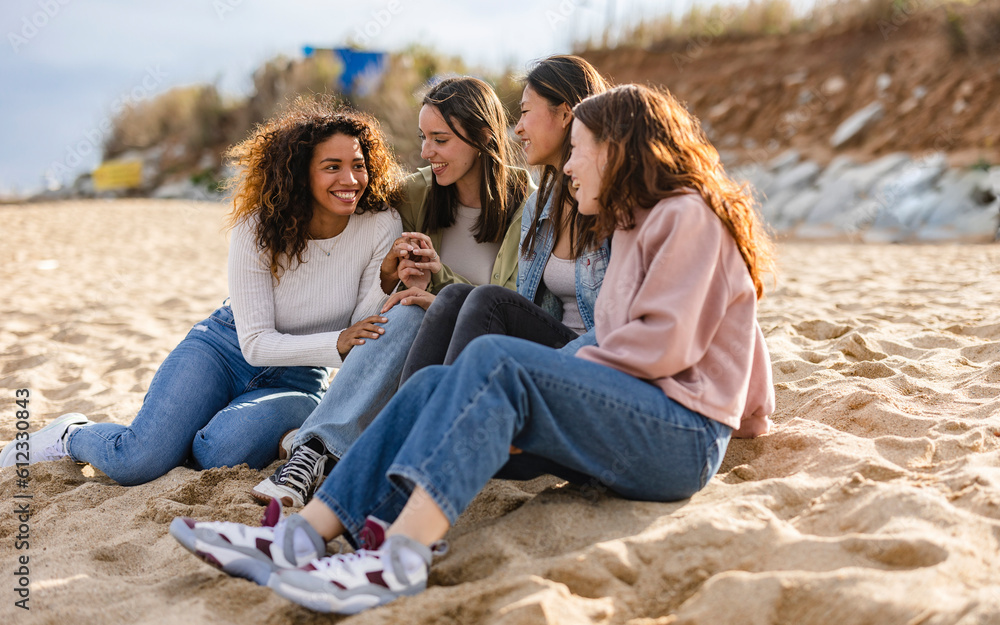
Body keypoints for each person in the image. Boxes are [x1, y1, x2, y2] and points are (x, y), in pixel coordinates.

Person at [170, 83, 777, 615]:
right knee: (436, 386)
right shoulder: (631, 225)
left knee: (492, 363)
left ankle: (399, 559)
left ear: (616, 150)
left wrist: (551, 377)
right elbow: (715, 332)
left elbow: (665, 345)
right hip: (621, 419)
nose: (566, 168)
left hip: (675, 439)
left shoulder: (687, 215)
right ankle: (300, 537)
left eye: (579, 150)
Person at [0, 99, 406, 485]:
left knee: (217, 454)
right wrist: (337, 341)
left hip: (300, 379)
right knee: (137, 461)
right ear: (302, 172)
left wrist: (386, 282)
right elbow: (256, 344)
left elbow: (362, 333)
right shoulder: (257, 227)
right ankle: (70, 434)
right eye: (331, 166)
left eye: (358, 165)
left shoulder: (380, 224)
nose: (350, 180)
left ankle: (208, 430)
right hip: (223, 350)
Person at [250, 77, 534, 507]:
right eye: (423, 138)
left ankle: (312, 442)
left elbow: (514, 305)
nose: (425, 152)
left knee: (416, 311)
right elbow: (341, 214)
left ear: (481, 137)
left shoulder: (527, 203)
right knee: (404, 308)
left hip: (480, 357)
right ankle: (311, 450)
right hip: (415, 351)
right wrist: (391, 273)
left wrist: (440, 285)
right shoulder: (416, 193)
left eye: (439, 139)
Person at [398, 55, 611, 387]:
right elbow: (522, 309)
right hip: (546, 346)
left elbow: (626, 325)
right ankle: (410, 423)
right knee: (453, 299)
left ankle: (435, 424)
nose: (518, 126)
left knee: (482, 299)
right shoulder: (540, 208)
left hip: (589, 361)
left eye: (525, 112)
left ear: (566, 113)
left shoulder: (613, 205)